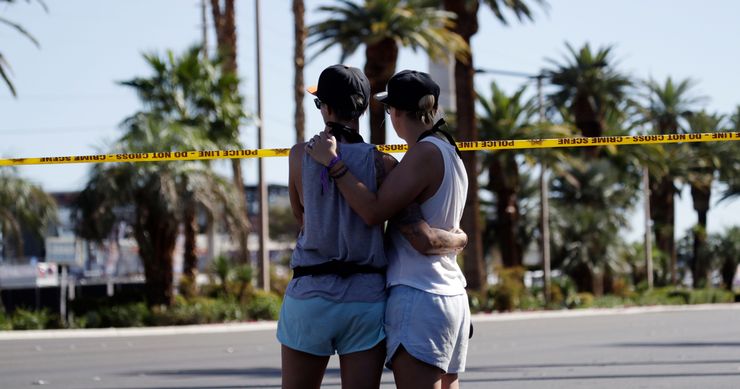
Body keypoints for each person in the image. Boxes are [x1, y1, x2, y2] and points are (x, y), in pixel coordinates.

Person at [280, 65, 467, 389]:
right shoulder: (386, 163)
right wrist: (458, 238)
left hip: (310, 292)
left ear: (325, 108)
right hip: (365, 297)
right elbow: (396, 219)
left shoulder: (300, 156)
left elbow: (302, 219)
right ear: (364, 109)